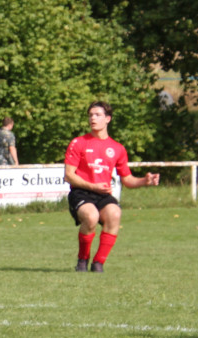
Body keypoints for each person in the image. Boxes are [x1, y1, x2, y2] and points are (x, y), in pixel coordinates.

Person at [64, 101, 160, 272]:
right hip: (81, 192)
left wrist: (144, 181)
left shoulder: (117, 148)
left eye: (97, 115)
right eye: (91, 115)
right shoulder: (78, 143)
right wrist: (93, 186)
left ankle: (98, 263)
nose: (93, 118)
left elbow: (128, 179)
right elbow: (69, 176)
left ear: (108, 119)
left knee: (115, 213)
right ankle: (82, 260)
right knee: (91, 217)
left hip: (102, 194)